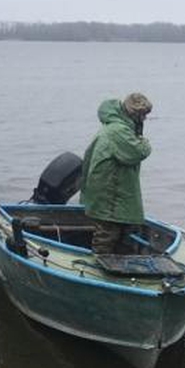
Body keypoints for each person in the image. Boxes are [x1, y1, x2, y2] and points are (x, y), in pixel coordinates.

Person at [79, 92, 153, 255]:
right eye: (143, 115)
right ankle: (100, 265)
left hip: (111, 189)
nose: (145, 119)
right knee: (107, 234)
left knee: (118, 233)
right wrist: (144, 141)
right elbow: (139, 152)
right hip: (110, 193)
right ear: (135, 113)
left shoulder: (115, 126)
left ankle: (116, 264)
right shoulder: (118, 130)